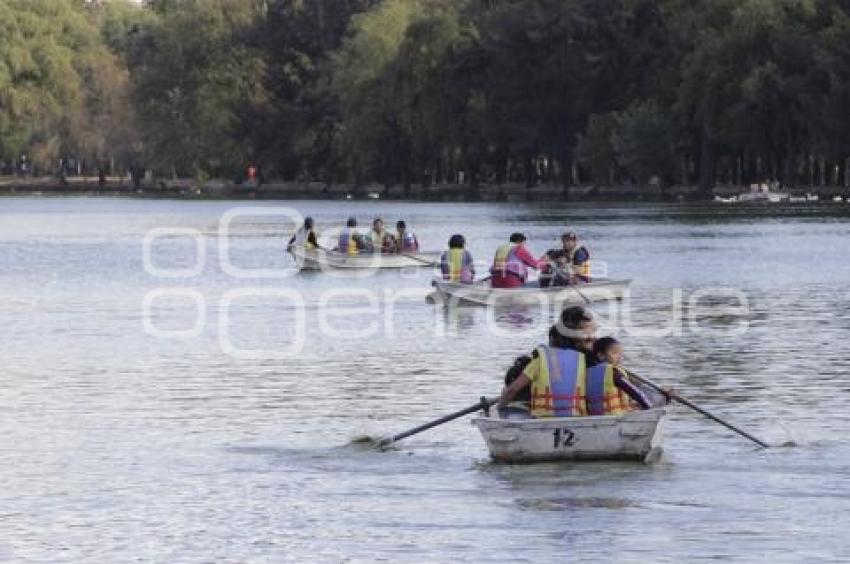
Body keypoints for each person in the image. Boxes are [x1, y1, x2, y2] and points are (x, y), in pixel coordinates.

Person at [499, 306, 598, 418]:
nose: (593, 337)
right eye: (585, 331)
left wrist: (500, 406)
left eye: (594, 331)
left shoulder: (593, 361)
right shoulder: (587, 361)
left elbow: (512, 390)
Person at [590, 337, 669, 410]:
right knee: (659, 398)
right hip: (615, 413)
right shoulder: (614, 372)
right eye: (614, 353)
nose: (619, 357)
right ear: (601, 355)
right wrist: (650, 407)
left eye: (620, 354)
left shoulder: (589, 371)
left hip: (599, 412)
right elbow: (635, 393)